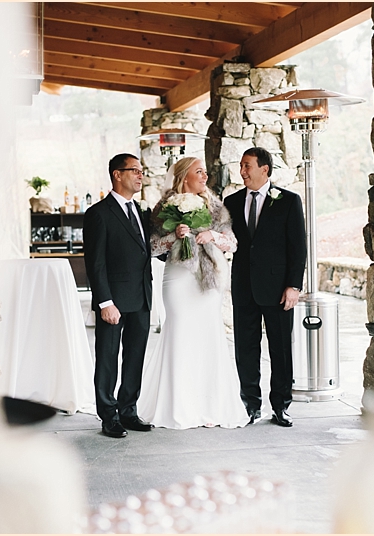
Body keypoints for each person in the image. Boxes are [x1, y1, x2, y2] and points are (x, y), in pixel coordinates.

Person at [138, 157, 250, 429]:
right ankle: (177, 405)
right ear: (183, 176)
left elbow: (232, 243)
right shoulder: (164, 207)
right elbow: (152, 247)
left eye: (205, 172)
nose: (204, 177)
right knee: (179, 332)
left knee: (207, 335)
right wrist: (175, 235)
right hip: (178, 280)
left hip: (208, 280)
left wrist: (213, 236)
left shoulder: (216, 207)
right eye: (198, 171)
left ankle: (209, 405)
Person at [224, 147, 307, 427]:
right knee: (246, 348)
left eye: (247, 166)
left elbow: (298, 248)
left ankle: (281, 405)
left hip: (278, 289)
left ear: (265, 170)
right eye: (241, 166)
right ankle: (250, 405)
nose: (243, 171)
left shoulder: (288, 201)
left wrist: (293, 286)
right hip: (244, 287)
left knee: (281, 349)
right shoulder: (231, 202)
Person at [83, 153, 154, 438]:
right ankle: (108, 415)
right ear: (117, 174)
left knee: (135, 356)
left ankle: (128, 410)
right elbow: (95, 262)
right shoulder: (98, 214)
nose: (140, 176)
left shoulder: (142, 211)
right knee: (108, 357)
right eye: (135, 170)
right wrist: (105, 302)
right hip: (113, 300)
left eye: (141, 171)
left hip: (141, 297)